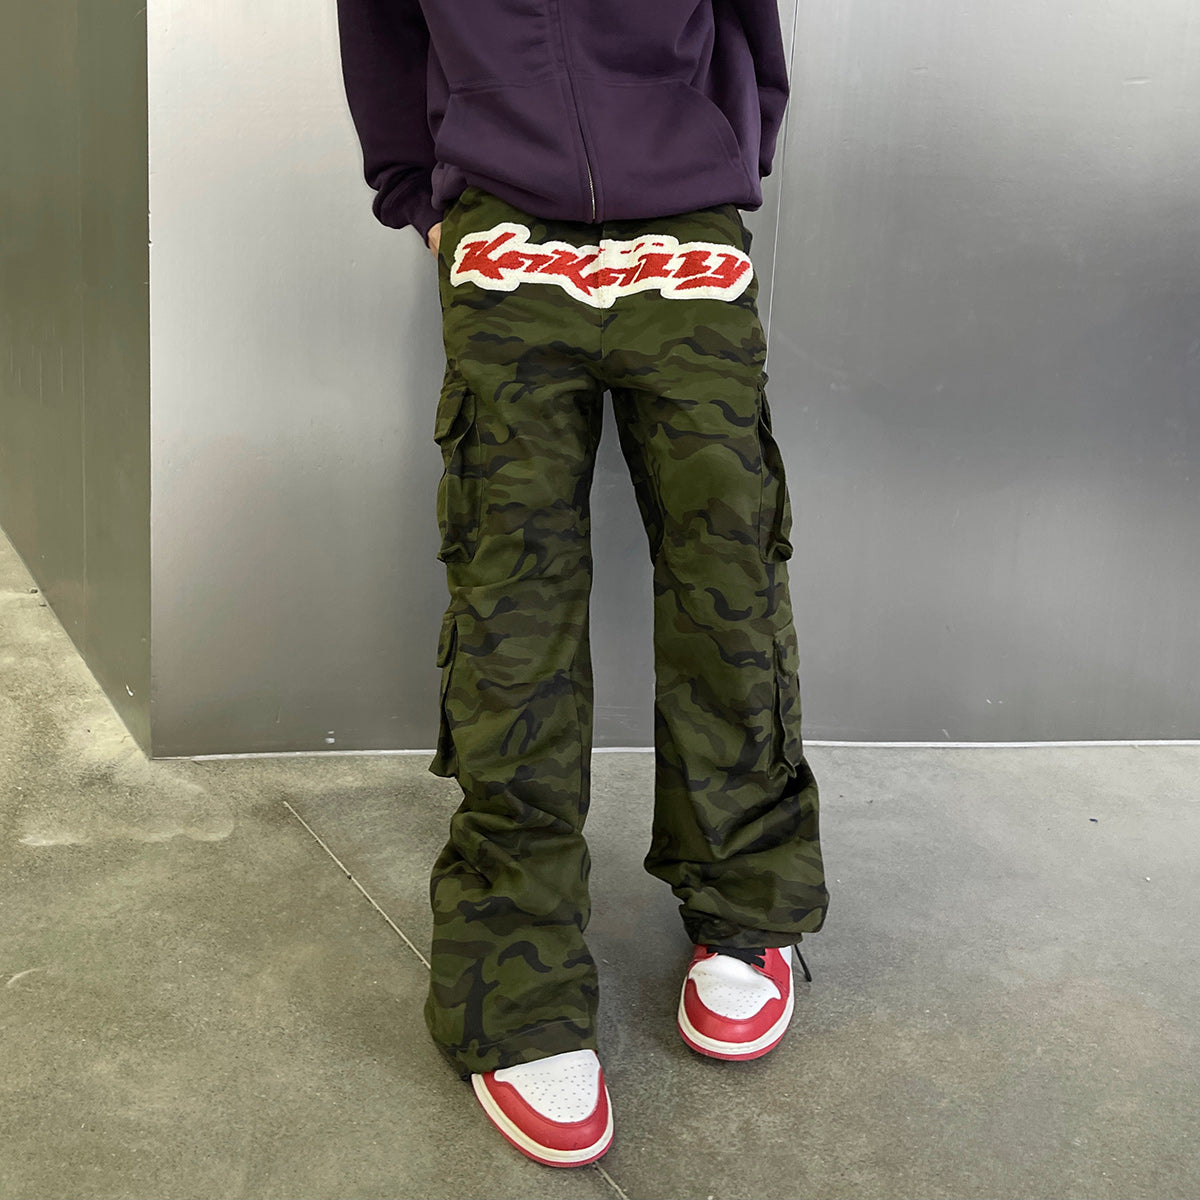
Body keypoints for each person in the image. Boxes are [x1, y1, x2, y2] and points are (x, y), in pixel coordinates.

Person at [336, 0, 829, 1168]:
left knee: (729, 569)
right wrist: (424, 197)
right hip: (504, 229)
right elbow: (383, 30)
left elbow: (746, 28)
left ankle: (746, 906)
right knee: (512, 602)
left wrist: (719, 154)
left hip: (686, 222)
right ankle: (517, 982)